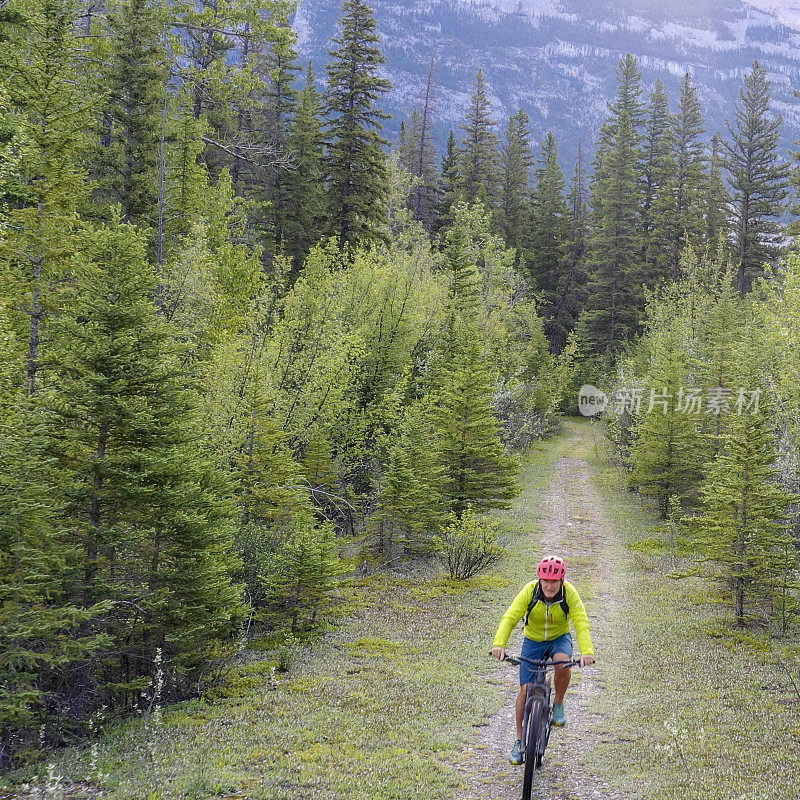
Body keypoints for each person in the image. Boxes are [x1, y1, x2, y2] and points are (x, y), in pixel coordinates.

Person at [491, 555, 595, 765]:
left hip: (559, 638)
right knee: (525, 689)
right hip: (533, 640)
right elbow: (510, 617)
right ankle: (519, 741)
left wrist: (587, 651)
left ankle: (558, 703)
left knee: (562, 662)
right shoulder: (530, 591)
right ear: (539, 579)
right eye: (545, 580)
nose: (549, 585)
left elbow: (581, 621)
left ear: (561, 581)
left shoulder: (569, 594)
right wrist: (499, 644)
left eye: (554, 581)